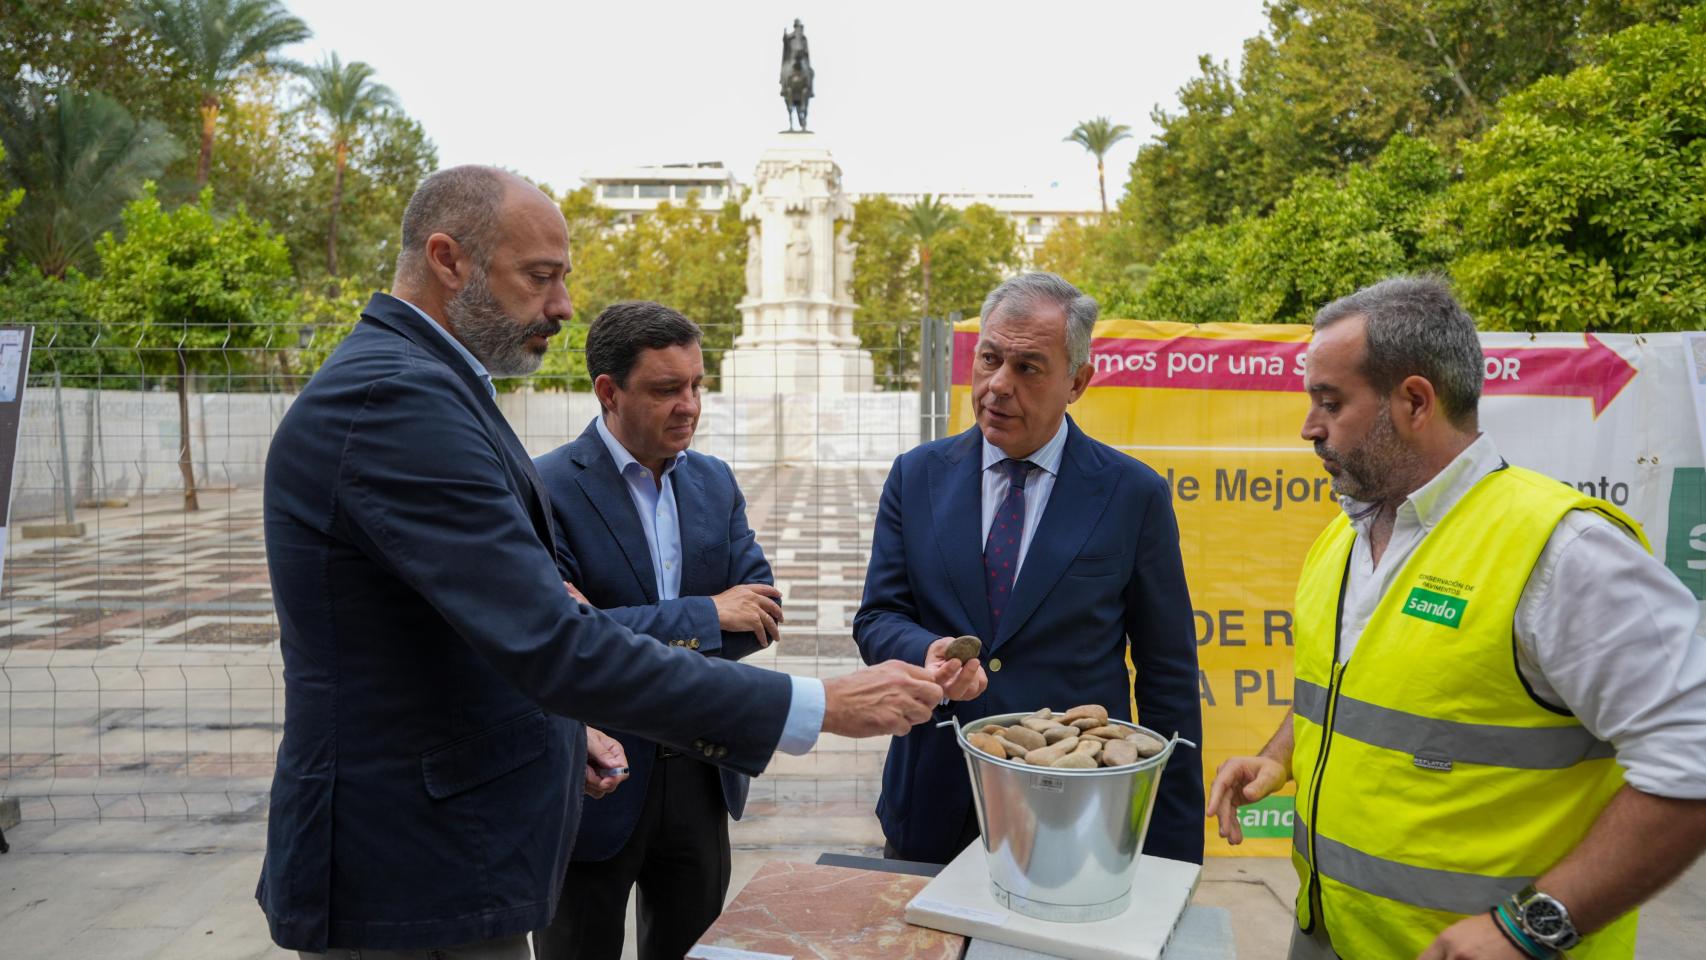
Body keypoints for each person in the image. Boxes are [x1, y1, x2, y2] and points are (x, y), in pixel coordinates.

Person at [259, 165, 954, 958]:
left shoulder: (433, 387)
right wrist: (815, 704)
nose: (561, 305)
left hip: (447, 857)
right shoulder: (397, 401)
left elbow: (490, 622)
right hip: (404, 871)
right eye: (541, 276)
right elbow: (556, 640)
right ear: (448, 261)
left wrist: (553, 723)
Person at [1207, 276, 1706, 960]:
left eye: (1331, 402)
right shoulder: (1345, 538)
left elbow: (1693, 759)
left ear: (1414, 400)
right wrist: (1277, 757)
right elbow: (1364, 691)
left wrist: (1529, 930)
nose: (1309, 427)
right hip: (1330, 933)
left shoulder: (1561, 551)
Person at [853, 271, 1204, 866]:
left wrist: (1169, 851)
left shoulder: (1131, 494)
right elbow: (879, 616)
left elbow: (1167, 672)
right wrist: (929, 649)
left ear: (1078, 381)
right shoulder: (917, 476)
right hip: (934, 795)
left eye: (1028, 368)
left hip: (1073, 810)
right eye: (989, 359)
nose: (998, 386)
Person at [530, 301, 783, 959]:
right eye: (667, 389)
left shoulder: (714, 482)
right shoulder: (545, 487)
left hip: (703, 769)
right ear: (609, 392)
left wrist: (623, 629)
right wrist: (706, 613)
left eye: (697, 385)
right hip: (596, 775)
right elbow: (555, 638)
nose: (690, 405)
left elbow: (759, 618)